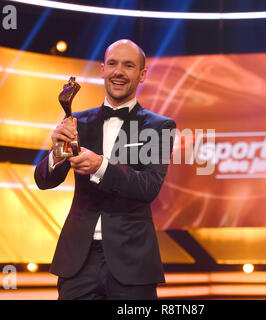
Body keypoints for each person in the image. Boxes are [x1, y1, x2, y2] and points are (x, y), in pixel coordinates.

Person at [34, 39, 176, 300]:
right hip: (78, 261)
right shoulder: (78, 122)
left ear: (142, 74)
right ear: (102, 69)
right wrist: (58, 152)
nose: (118, 71)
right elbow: (44, 180)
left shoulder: (159, 126)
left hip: (132, 262)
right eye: (112, 64)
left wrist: (102, 166)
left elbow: (149, 186)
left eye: (128, 65)